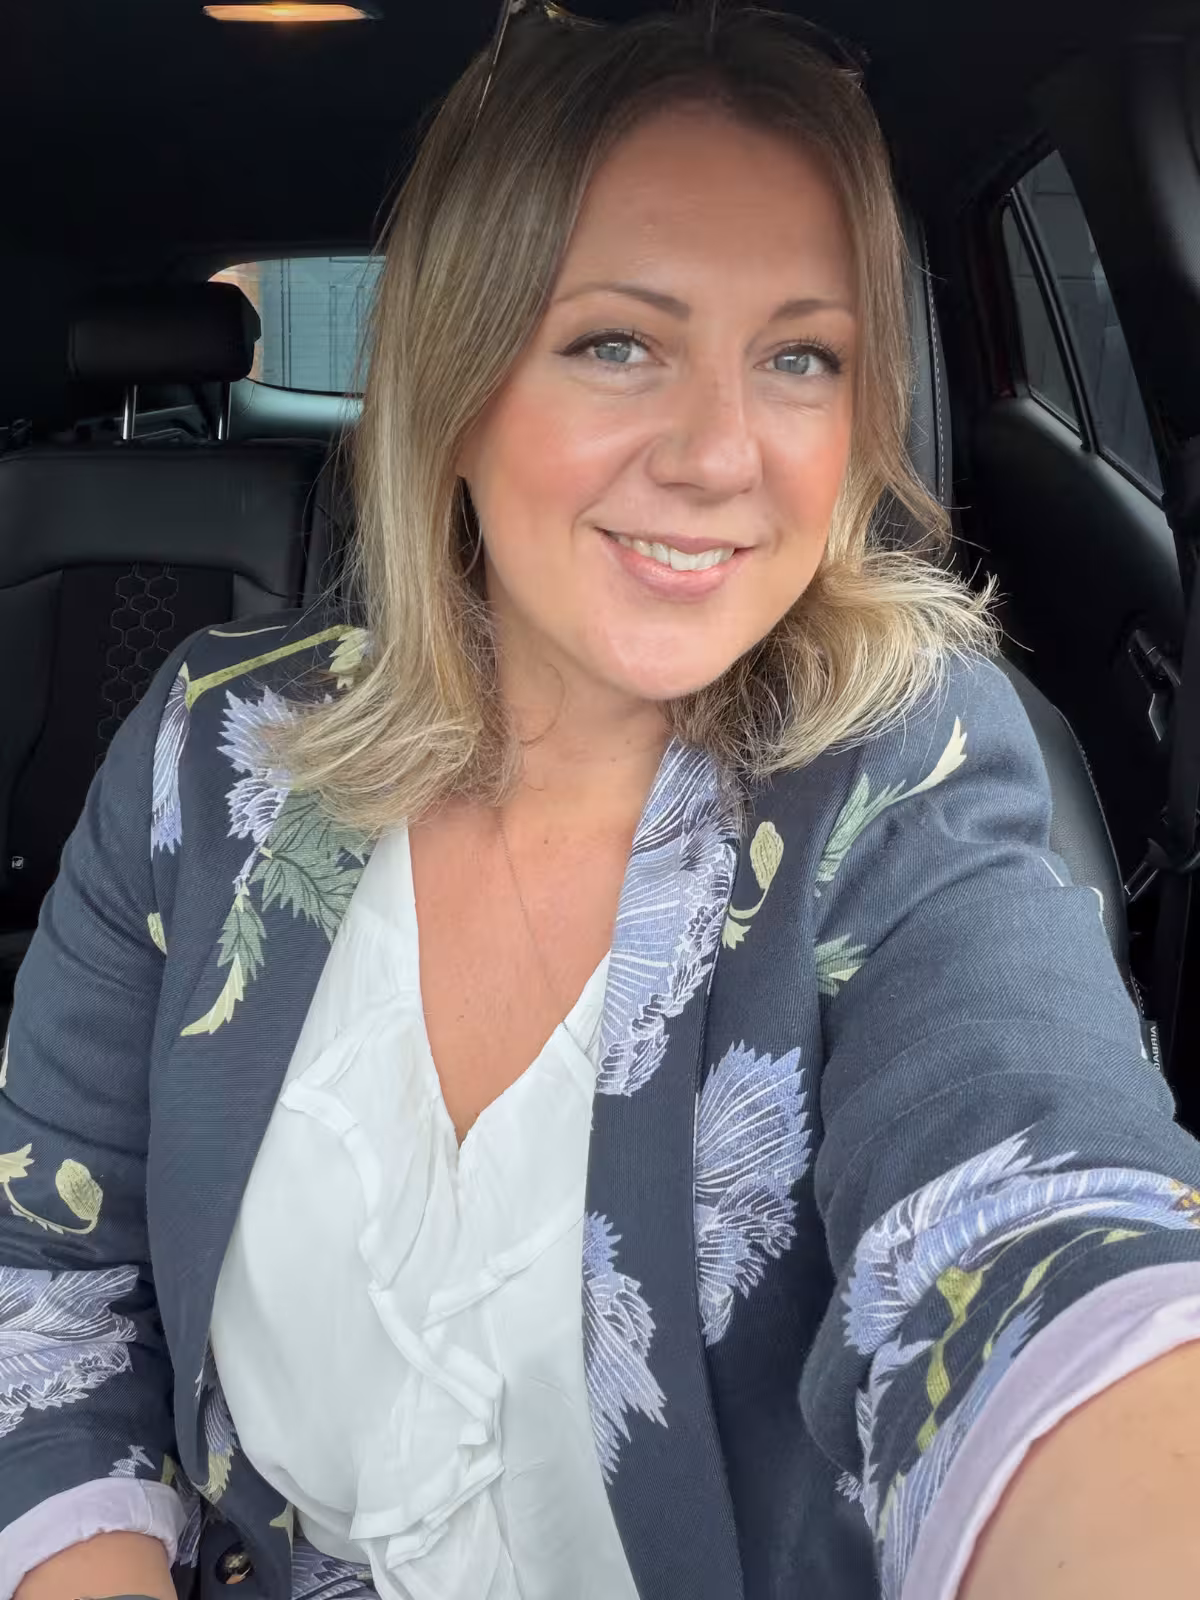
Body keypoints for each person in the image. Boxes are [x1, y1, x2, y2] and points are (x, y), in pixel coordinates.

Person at [4, 5, 1200, 1599]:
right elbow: (48, 1276)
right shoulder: (212, 751)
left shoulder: (898, 765)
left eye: (801, 356)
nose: (720, 453)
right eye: (619, 343)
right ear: (457, 383)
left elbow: (1033, 1211)